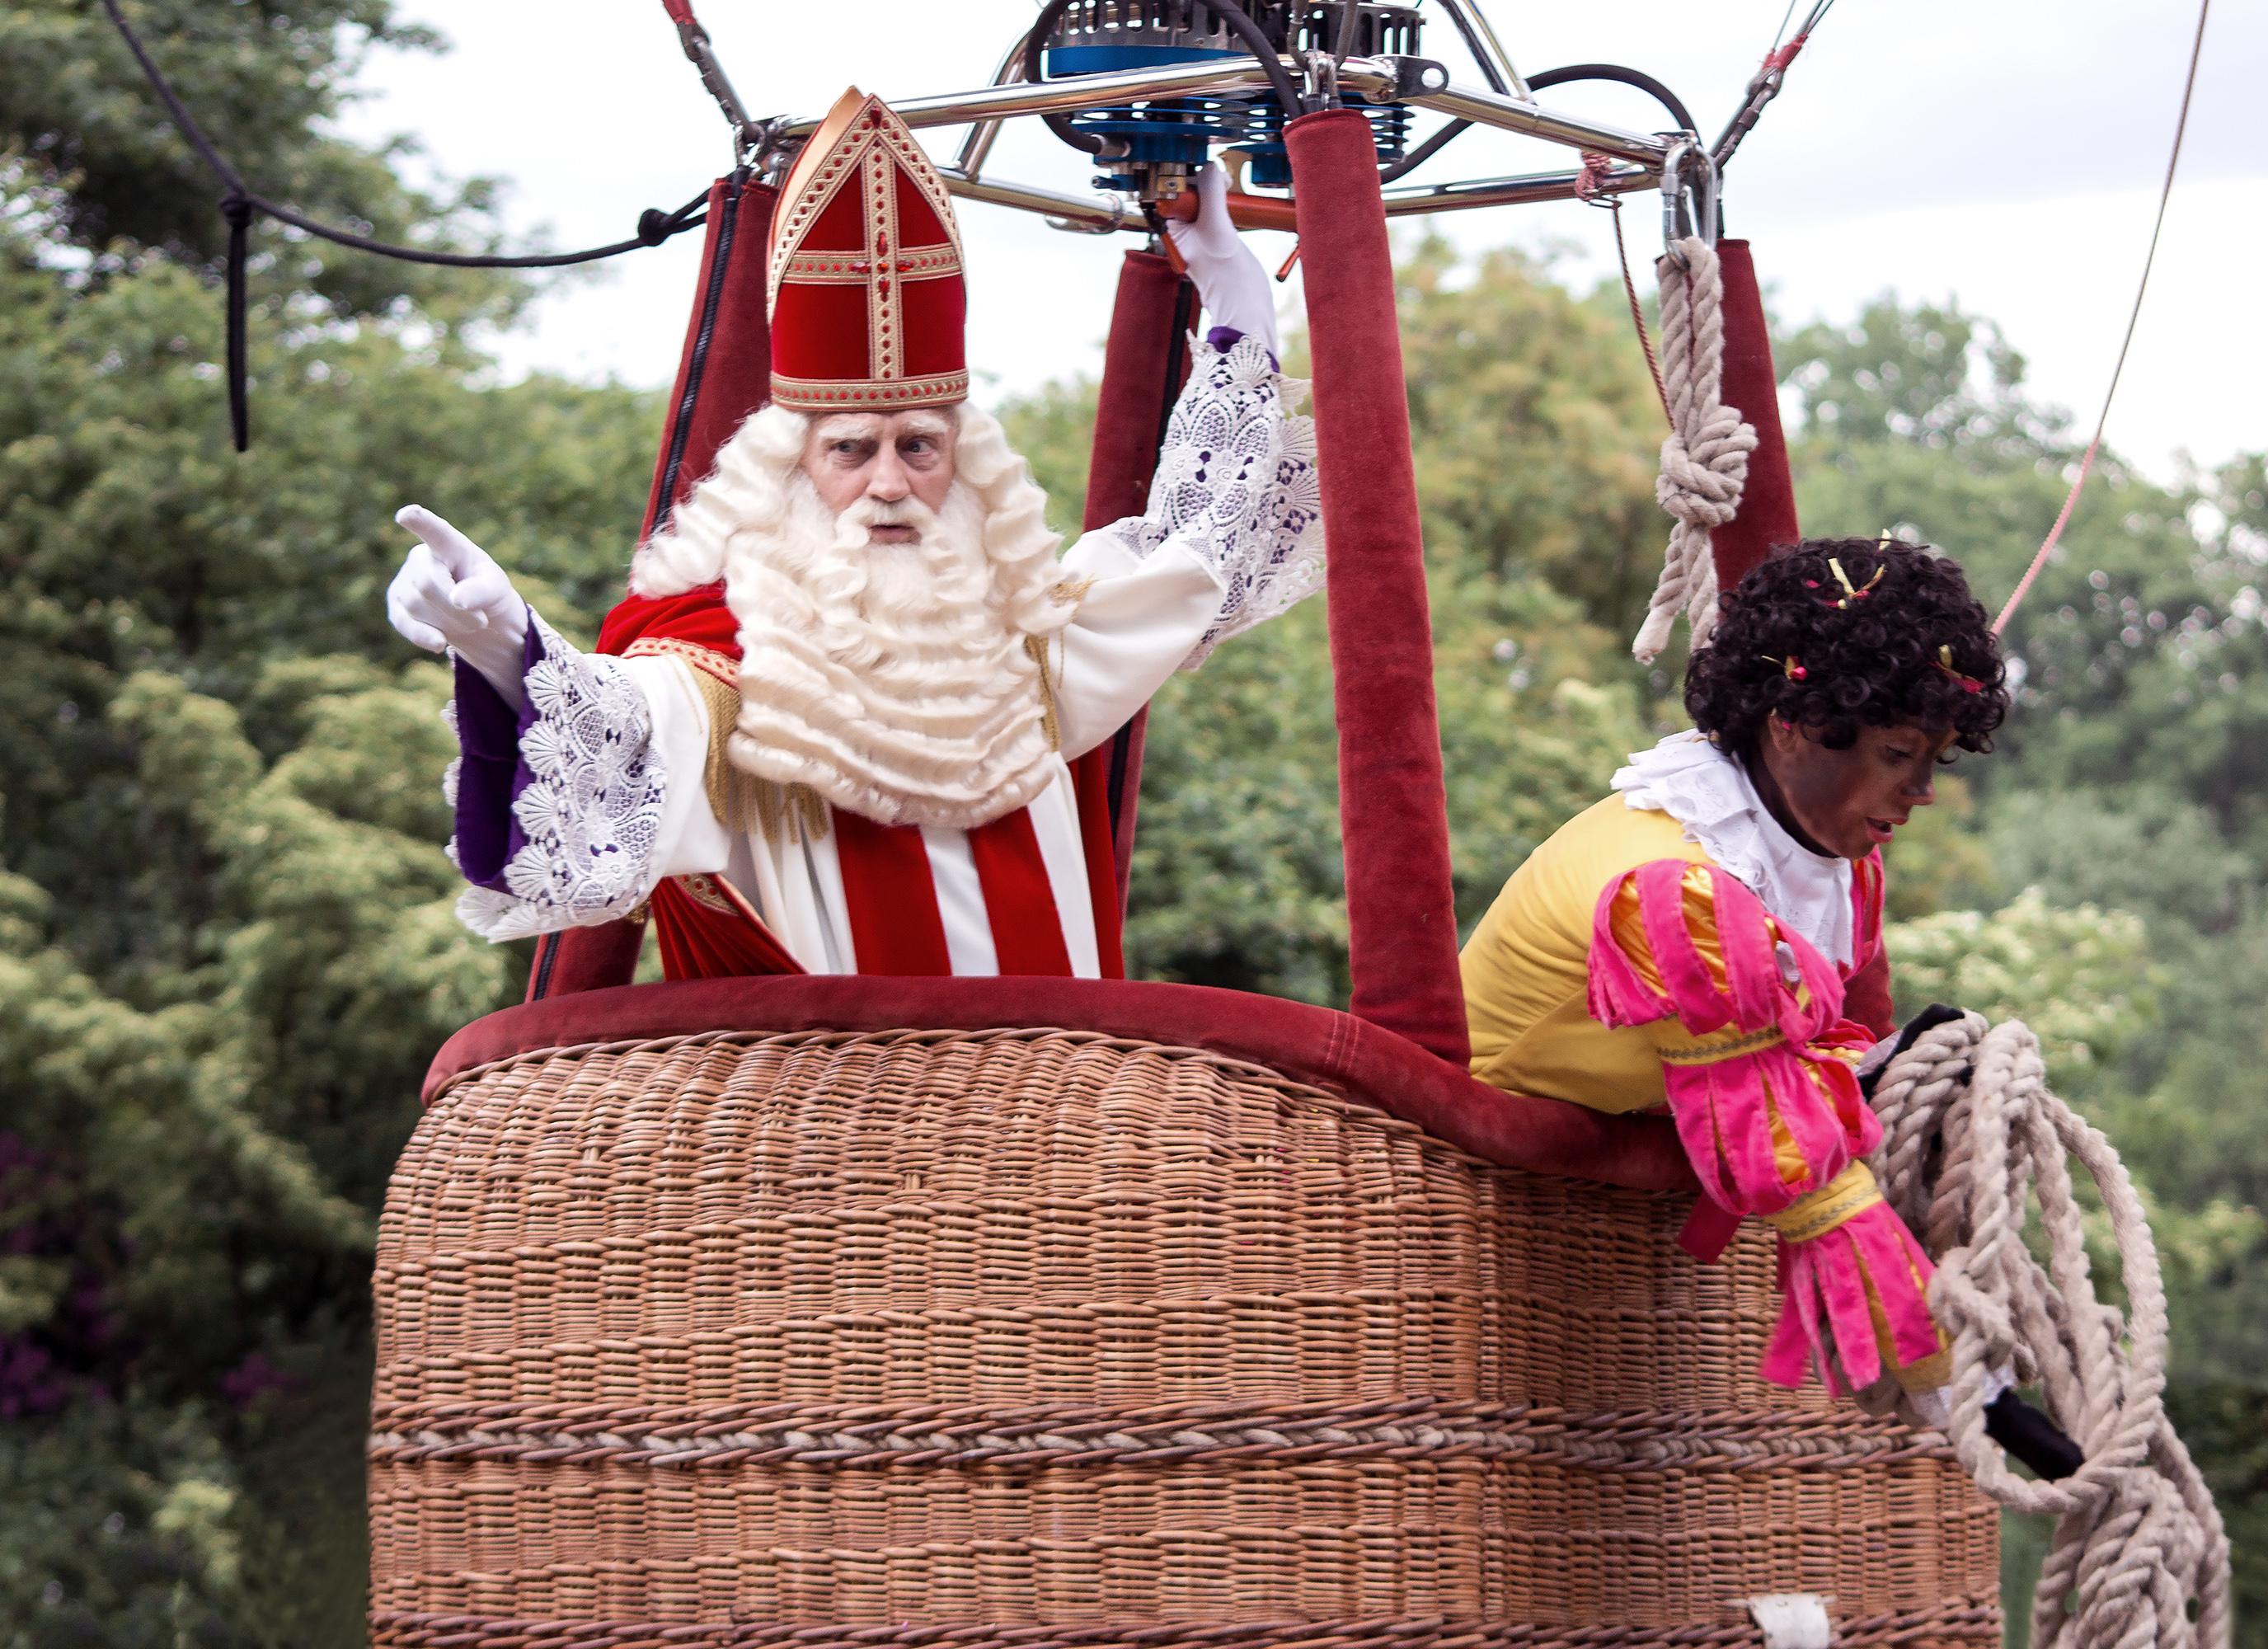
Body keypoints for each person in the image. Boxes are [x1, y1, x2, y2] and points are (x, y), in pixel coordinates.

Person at [384, 91, 1320, 980]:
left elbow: (1195, 550)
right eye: (849, 449)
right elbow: (609, 727)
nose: (888, 483)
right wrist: (501, 638)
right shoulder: (715, 670)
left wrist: (1237, 301)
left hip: (1053, 1119)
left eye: (919, 446)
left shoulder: (1030, 639)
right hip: (831, 1132)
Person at [1458, 538, 2011, 1412]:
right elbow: (1794, 1167)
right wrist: (1964, 1380)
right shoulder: (1677, 893)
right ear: (1789, 728)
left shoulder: (1840, 867)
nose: (1924, 791)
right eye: (1901, 754)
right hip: (1476, 1203)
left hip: (1605, 1208)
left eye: (1934, 760)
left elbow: (1809, 1049)